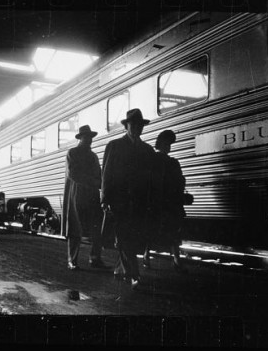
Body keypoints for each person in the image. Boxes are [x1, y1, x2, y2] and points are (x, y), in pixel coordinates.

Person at [101, 109, 155, 289]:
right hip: (119, 201)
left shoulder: (148, 150)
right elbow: (106, 173)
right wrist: (104, 198)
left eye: (140, 126)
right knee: (125, 237)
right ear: (126, 126)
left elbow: (150, 178)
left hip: (139, 202)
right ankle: (134, 275)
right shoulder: (114, 145)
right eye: (133, 125)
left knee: (132, 237)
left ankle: (121, 269)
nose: (137, 128)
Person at [62, 125, 108, 271]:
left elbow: (99, 175)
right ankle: (72, 260)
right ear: (80, 138)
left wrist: (104, 185)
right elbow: (73, 174)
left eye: (90, 138)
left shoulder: (93, 156)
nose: (89, 140)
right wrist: (94, 182)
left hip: (92, 195)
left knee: (97, 226)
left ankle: (95, 258)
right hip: (76, 194)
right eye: (86, 137)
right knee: (74, 228)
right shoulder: (73, 153)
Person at [144, 130, 188, 272]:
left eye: (170, 144)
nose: (169, 146)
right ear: (161, 144)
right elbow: (180, 181)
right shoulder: (171, 163)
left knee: (154, 231)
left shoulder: (153, 161)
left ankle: (148, 256)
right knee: (171, 231)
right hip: (165, 203)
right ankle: (175, 259)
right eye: (167, 144)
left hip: (159, 202)